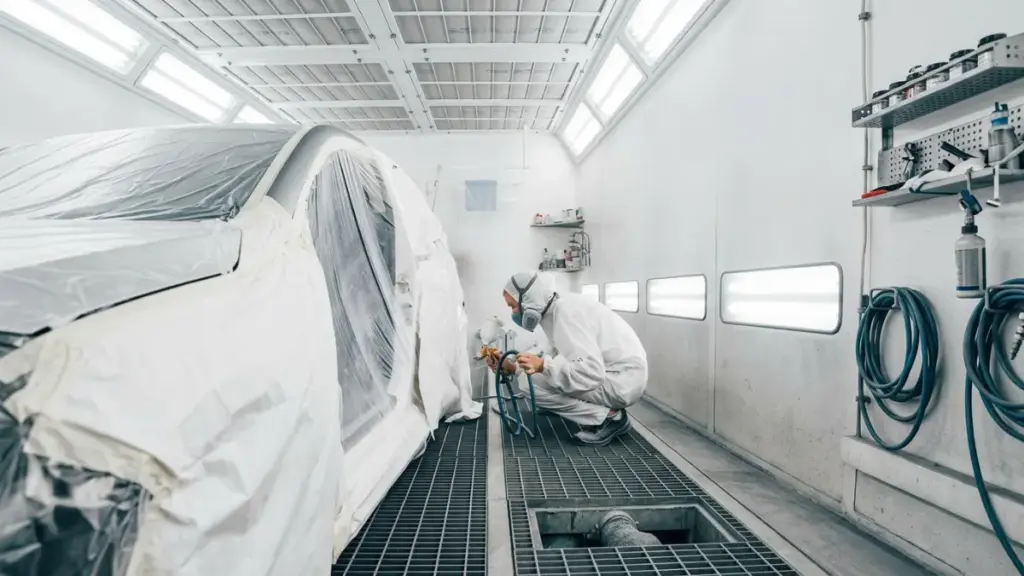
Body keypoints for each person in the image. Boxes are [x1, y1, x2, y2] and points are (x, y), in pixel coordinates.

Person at [487, 272, 648, 446]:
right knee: (534, 377)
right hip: (618, 375)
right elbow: (555, 355)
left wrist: (543, 366)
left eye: (513, 307)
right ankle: (577, 407)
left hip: (622, 381)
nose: (513, 313)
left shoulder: (566, 312)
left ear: (527, 299)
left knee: (529, 383)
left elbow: (592, 372)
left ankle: (611, 417)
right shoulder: (556, 309)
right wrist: (513, 368)